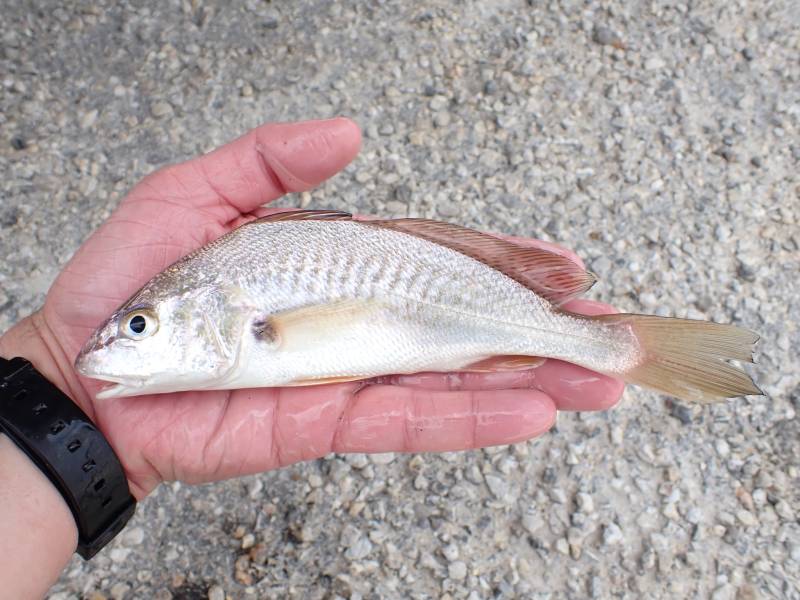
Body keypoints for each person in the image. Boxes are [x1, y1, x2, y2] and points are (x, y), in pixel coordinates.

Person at [0, 118, 622, 598]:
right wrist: (58, 385)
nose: (111, 348)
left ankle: (614, 344)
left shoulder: (244, 298)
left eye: (141, 324)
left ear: (215, 308)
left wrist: (47, 399)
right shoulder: (217, 295)